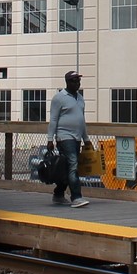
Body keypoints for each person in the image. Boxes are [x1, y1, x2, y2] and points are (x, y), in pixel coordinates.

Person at [48, 70, 91, 208]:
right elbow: (53, 119)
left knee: (67, 167)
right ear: (67, 82)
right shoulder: (59, 98)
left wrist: (86, 138)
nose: (77, 83)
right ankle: (76, 197)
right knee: (73, 164)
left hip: (77, 137)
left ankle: (58, 194)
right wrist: (50, 139)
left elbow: (81, 120)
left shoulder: (80, 98)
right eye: (74, 81)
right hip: (64, 136)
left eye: (78, 81)